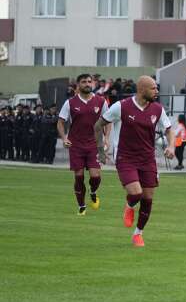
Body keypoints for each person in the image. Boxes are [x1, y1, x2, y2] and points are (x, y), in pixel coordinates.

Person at [94, 75, 175, 247]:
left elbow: (169, 129)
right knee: (136, 193)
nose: (157, 91)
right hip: (126, 157)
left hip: (147, 159)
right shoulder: (121, 107)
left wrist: (172, 147)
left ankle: (138, 234)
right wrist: (101, 149)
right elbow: (98, 125)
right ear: (141, 90)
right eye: (153, 88)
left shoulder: (158, 109)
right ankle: (129, 205)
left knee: (147, 198)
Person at [56, 73, 109, 215]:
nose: (87, 84)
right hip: (76, 145)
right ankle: (81, 206)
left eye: (89, 82)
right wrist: (64, 138)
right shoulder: (70, 103)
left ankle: (93, 191)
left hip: (95, 144)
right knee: (79, 176)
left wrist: (106, 138)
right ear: (78, 85)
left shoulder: (101, 101)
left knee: (95, 176)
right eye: (84, 82)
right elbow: (60, 122)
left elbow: (108, 121)